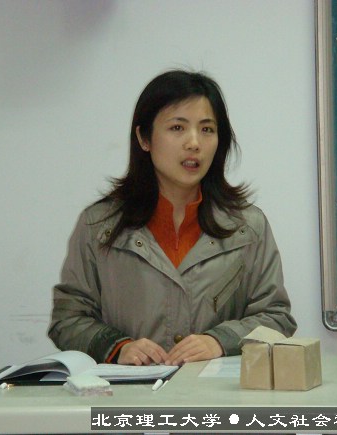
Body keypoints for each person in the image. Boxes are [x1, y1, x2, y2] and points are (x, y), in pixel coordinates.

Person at [48, 70, 296, 366]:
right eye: (177, 127)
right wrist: (117, 347)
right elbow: (68, 319)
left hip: (213, 392)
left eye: (207, 129)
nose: (194, 143)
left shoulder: (247, 227)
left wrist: (219, 341)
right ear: (144, 138)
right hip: (130, 393)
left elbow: (276, 318)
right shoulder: (100, 226)